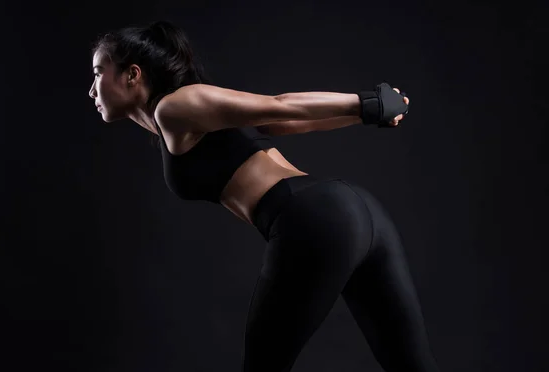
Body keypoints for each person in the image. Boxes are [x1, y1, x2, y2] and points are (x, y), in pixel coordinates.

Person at [88, 20, 440, 372]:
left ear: (132, 75)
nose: (92, 90)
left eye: (98, 73)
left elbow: (277, 105)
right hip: (359, 213)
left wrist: (371, 103)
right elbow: (280, 124)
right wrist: (366, 112)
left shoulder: (174, 106)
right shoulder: (181, 119)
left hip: (314, 218)